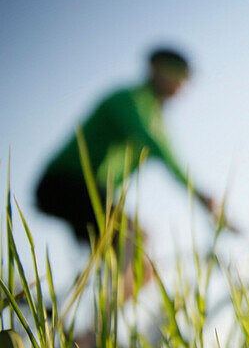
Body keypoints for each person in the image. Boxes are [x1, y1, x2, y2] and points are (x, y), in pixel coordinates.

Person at [35, 47, 231, 301]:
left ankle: (83, 333)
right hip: (63, 183)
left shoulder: (156, 119)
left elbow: (172, 158)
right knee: (134, 237)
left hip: (91, 192)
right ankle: (96, 335)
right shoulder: (128, 99)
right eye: (176, 73)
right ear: (155, 69)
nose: (180, 83)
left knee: (143, 269)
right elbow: (154, 145)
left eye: (185, 78)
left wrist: (214, 207)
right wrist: (201, 197)